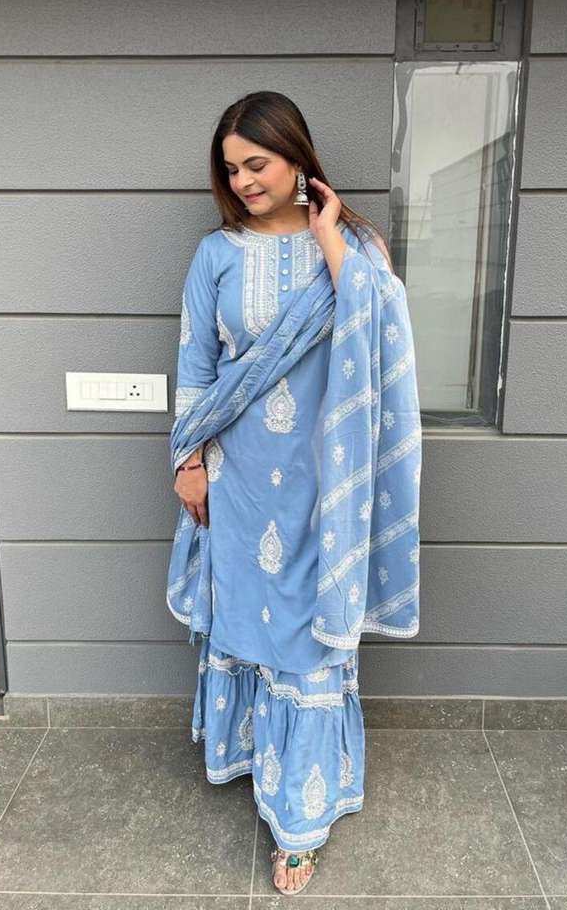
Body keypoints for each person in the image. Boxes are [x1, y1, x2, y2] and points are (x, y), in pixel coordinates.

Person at [166, 91, 422, 895]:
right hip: (238, 480)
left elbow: (380, 334)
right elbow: (196, 366)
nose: (244, 181)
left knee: (310, 637)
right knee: (247, 621)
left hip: (324, 486)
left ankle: (301, 820)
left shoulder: (352, 248)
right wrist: (187, 461)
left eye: (259, 164)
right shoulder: (215, 256)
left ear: (296, 158)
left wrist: (329, 232)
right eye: (232, 169)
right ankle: (252, 754)